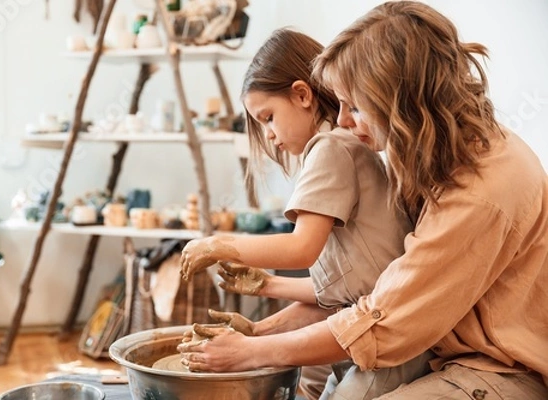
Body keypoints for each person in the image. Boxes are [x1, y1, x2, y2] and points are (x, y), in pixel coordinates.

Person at [177, 2, 548, 399]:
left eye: (353, 105)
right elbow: (365, 294)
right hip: (440, 350)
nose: (341, 121)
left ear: (399, 98)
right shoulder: (434, 156)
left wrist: (251, 351)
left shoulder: (481, 190)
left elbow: (385, 320)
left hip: (495, 370)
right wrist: (262, 324)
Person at [179, 27, 433, 399]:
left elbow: (301, 249)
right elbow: (338, 293)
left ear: (301, 95)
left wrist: (218, 244)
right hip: (366, 331)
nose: (268, 134)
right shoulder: (343, 145)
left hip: (389, 345)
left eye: (268, 117)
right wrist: (258, 323)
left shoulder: (330, 147)